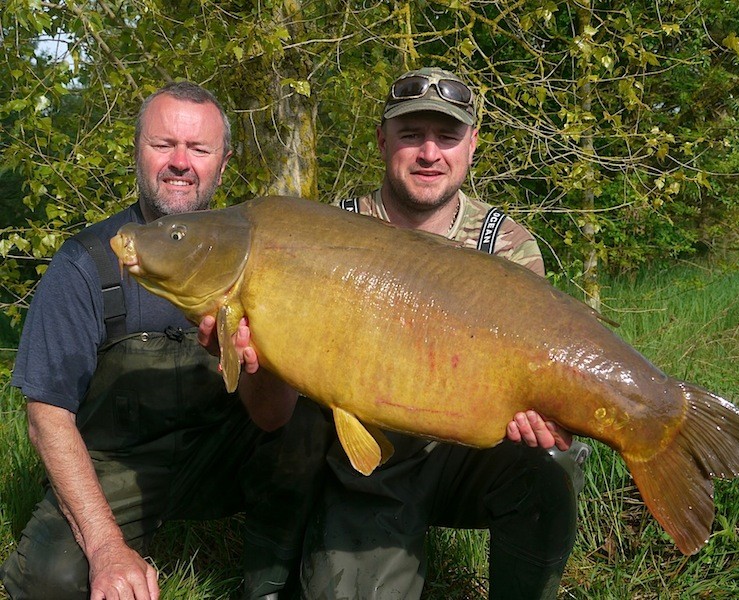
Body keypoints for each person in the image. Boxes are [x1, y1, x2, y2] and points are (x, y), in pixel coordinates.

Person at [1, 81, 320, 600]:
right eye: (163, 144)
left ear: (224, 161)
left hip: (221, 456)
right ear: (137, 151)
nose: (180, 162)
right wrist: (104, 547)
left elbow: (273, 418)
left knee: (314, 413)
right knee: (48, 583)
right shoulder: (87, 263)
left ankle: (270, 585)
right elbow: (46, 418)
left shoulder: (262, 254)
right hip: (116, 467)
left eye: (198, 149)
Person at [295, 67, 590, 599]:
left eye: (447, 136)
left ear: (472, 145)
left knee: (553, 463)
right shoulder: (326, 232)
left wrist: (536, 410)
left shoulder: (507, 245)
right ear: (383, 140)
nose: (430, 153)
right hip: (366, 462)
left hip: (468, 455)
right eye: (411, 135)